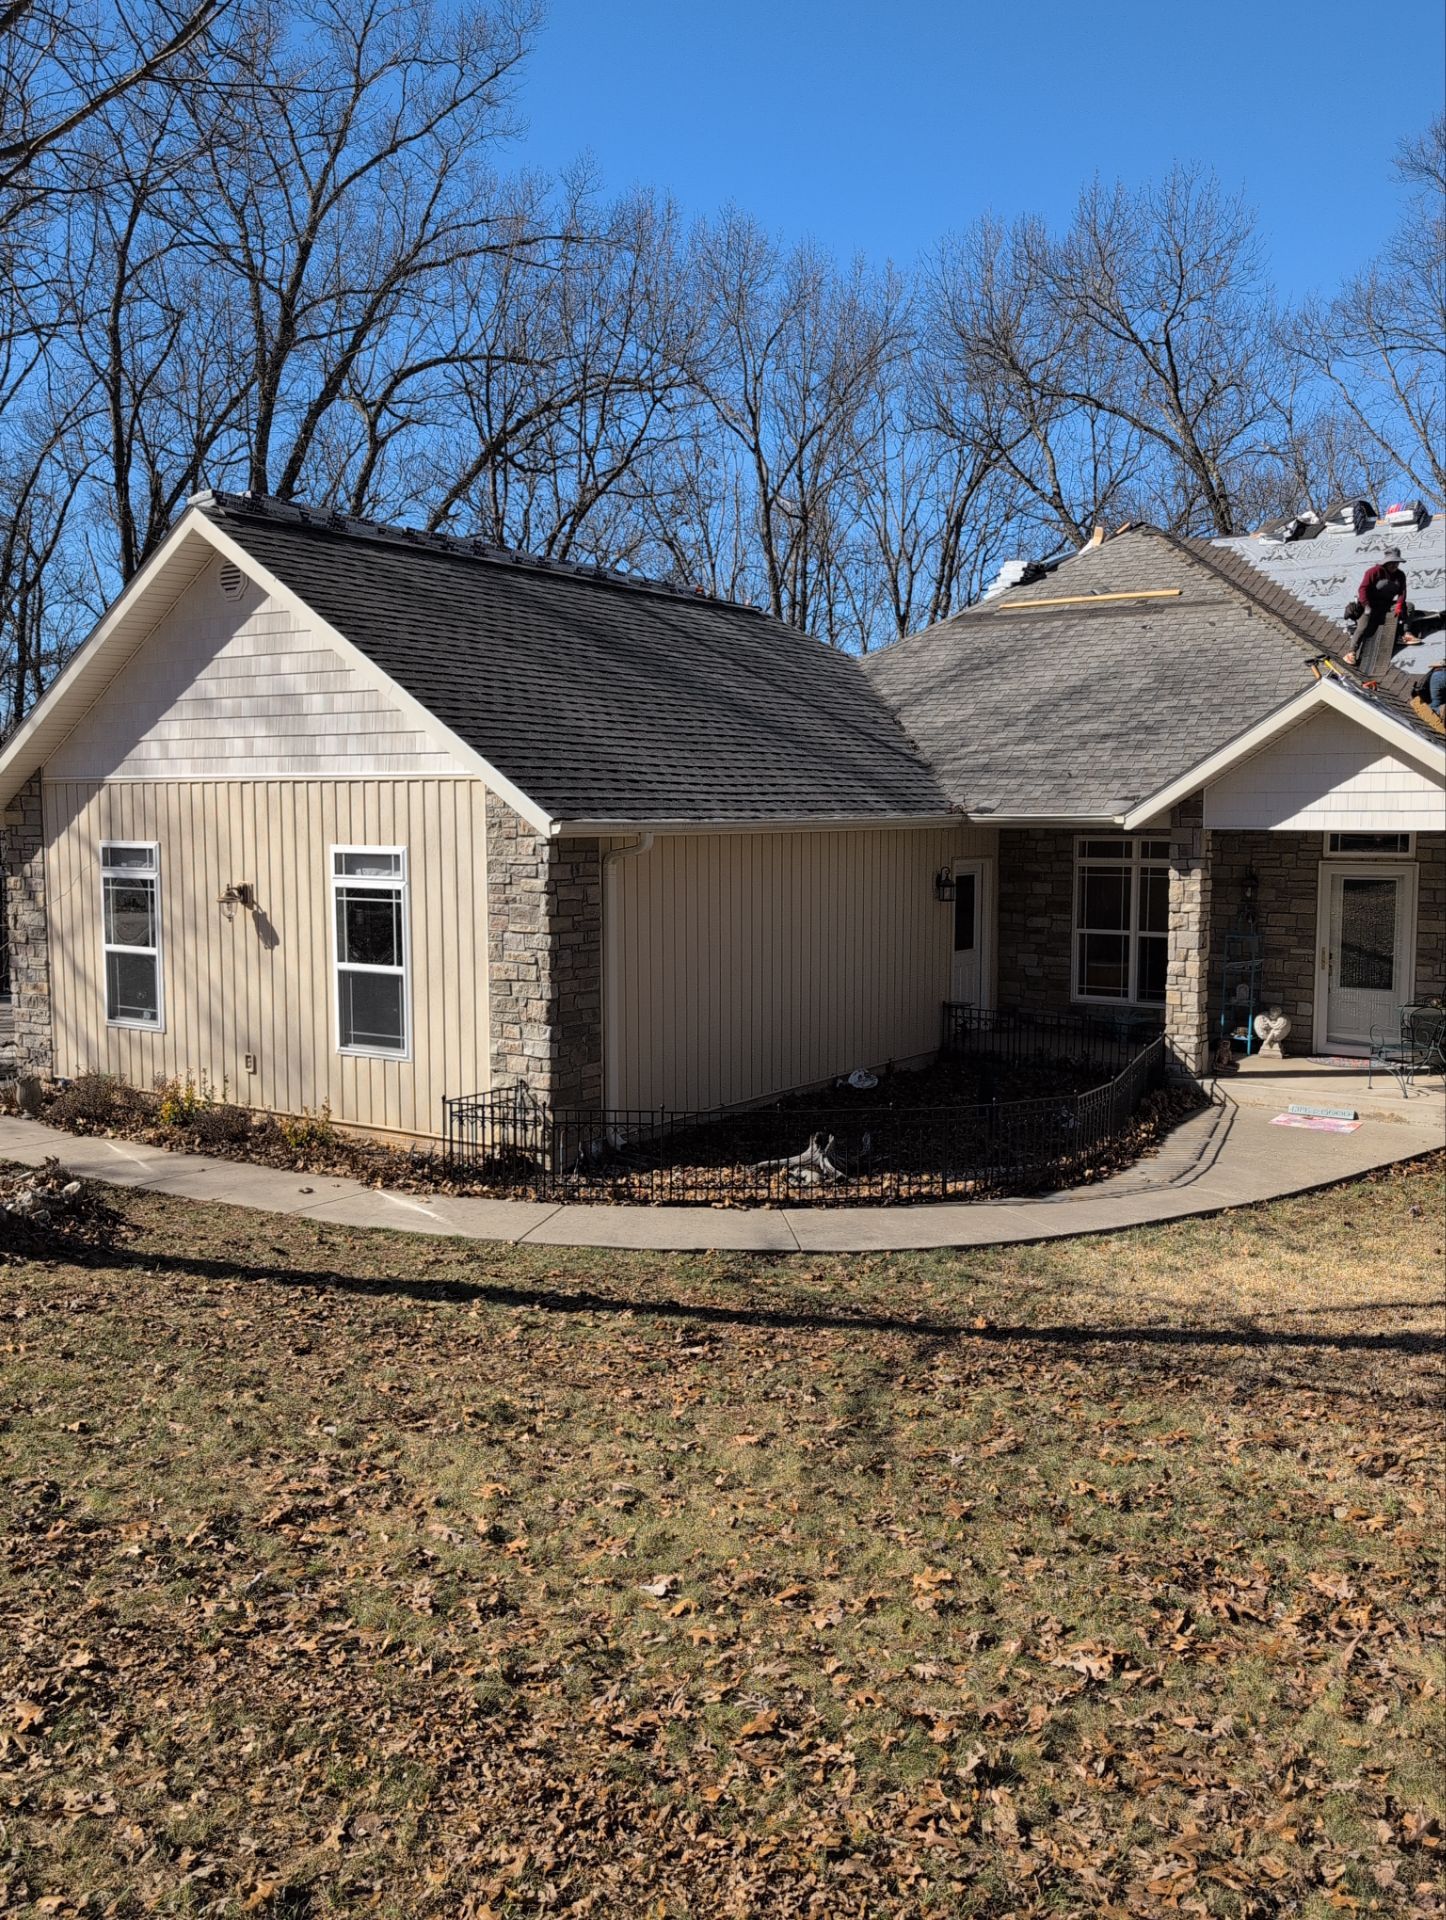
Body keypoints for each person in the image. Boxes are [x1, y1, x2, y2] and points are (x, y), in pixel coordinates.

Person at [1343, 547, 1408, 673]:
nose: (1395, 566)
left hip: (1386, 604)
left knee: (1408, 606)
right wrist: (1366, 606)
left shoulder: (1400, 575)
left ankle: (1407, 633)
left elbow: (1402, 592)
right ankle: (1351, 652)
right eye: (1392, 563)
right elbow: (1363, 590)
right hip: (1369, 605)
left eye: (1397, 563)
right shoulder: (1373, 572)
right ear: (1386, 563)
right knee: (1363, 626)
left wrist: (1399, 604)